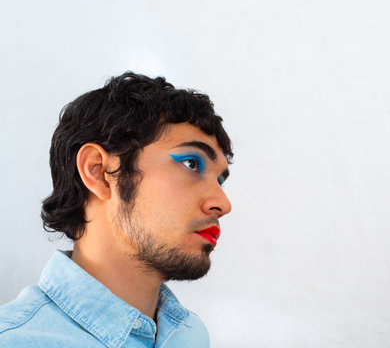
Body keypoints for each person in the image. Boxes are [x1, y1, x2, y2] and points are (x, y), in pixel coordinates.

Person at [0, 72, 233, 347]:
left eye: (220, 180)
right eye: (191, 164)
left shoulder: (190, 334)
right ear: (99, 172)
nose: (223, 204)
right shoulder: (16, 340)